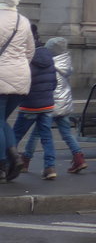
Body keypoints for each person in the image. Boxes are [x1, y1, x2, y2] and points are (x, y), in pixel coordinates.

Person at [18, 36, 86, 175]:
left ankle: (26, 160)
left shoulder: (48, 62)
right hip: (64, 104)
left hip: (49, 104)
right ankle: (78, 157)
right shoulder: (66, 62)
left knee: (36, 134)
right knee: (67, 133)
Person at [0, 0, 35, 183]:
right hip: (21, 77)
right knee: (2, 121)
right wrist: (18, 68)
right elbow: (30, 51)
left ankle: (3, 163)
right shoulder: (23, 21)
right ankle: (14, 156)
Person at [11, 25, 57, 179]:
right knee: (47, 137)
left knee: (15, 135)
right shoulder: (47, 54)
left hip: (30, 104)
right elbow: (54, 82)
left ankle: (10, 163)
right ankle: (50, 168)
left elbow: (22, 80)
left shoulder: (26, 56)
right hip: (47, 104)